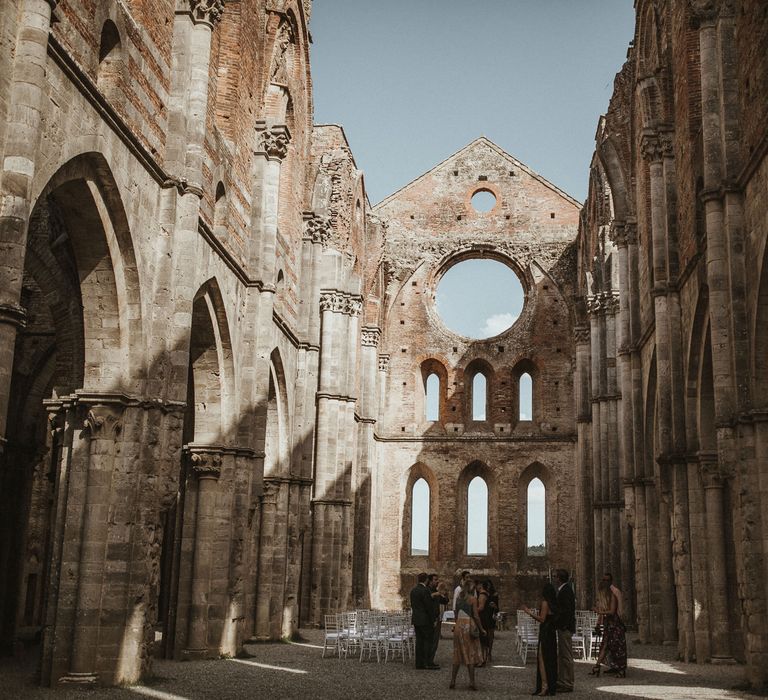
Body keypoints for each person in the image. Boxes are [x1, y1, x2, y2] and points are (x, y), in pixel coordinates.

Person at [449, 578, 485, 691]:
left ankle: (453, 681)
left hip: (459, 625)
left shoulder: (459, 598)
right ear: (472, 589)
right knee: (470, 653)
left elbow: (455, 613)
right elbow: (476, 615)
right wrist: (481, 629)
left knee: (457, 654)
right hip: (468, 626)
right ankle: (472, 682)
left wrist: (456, 624)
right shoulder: (472, 599)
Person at [523, 582, 559, 696]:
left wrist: (529, 613)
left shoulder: (545, 603)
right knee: (550, 659)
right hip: (551, 633)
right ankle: (550, 685)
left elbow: (542, 619)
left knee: (542, 659)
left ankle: (545, 686)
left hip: (546, 632)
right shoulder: (554, 603)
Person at [590, 573, 627, 677]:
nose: (604, 582)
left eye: (607, 580)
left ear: (610, 581)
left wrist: (598, 612)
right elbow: (604, 610)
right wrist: (598, 623)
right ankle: (597, 666)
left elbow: (612, 611)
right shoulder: (605, 595)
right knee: (605, 645)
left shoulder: (613, 594)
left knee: (617, 646)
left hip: (615, 623)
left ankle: (620, 669)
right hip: (608, 623)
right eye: (603, 580)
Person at [410, 572, 439, 670]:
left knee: (419, 642)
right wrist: (433, 619)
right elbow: (428, 607)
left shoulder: (413, 590)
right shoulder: (425, 590)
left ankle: (419, 663)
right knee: (428, 641)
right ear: (426, 580)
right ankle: (427, 662)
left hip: (416, 619)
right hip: (425, 620)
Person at [554, 569, 575, 693]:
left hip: (565, 628)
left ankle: (568, 683)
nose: (555, 579)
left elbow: (566, 611)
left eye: (556, 577)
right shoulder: (565, 589)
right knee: (562, 655)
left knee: (566, 656)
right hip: (564, 627)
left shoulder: (565, 591)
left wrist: (563, 626)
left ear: (559, 578)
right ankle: (562, 681)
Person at [427, 573, 449, 668]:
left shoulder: (436, 591)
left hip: (436, 618)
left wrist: (444, 593)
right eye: (435, 580)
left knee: (435, 641)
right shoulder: (427, 591)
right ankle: (428, 661)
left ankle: (430, 660)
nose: (437, 581)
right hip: (431, 620)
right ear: (430, 581)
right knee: (430, 641)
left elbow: (445, 601)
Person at [476, 579, 498, 665]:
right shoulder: (482, 594)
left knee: (490, 635)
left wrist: (495, 606)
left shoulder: (493, 595)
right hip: (485, 615)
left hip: (490, 616)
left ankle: (488, 653)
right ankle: (484, 655)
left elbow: (497, 608)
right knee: (484, 636)